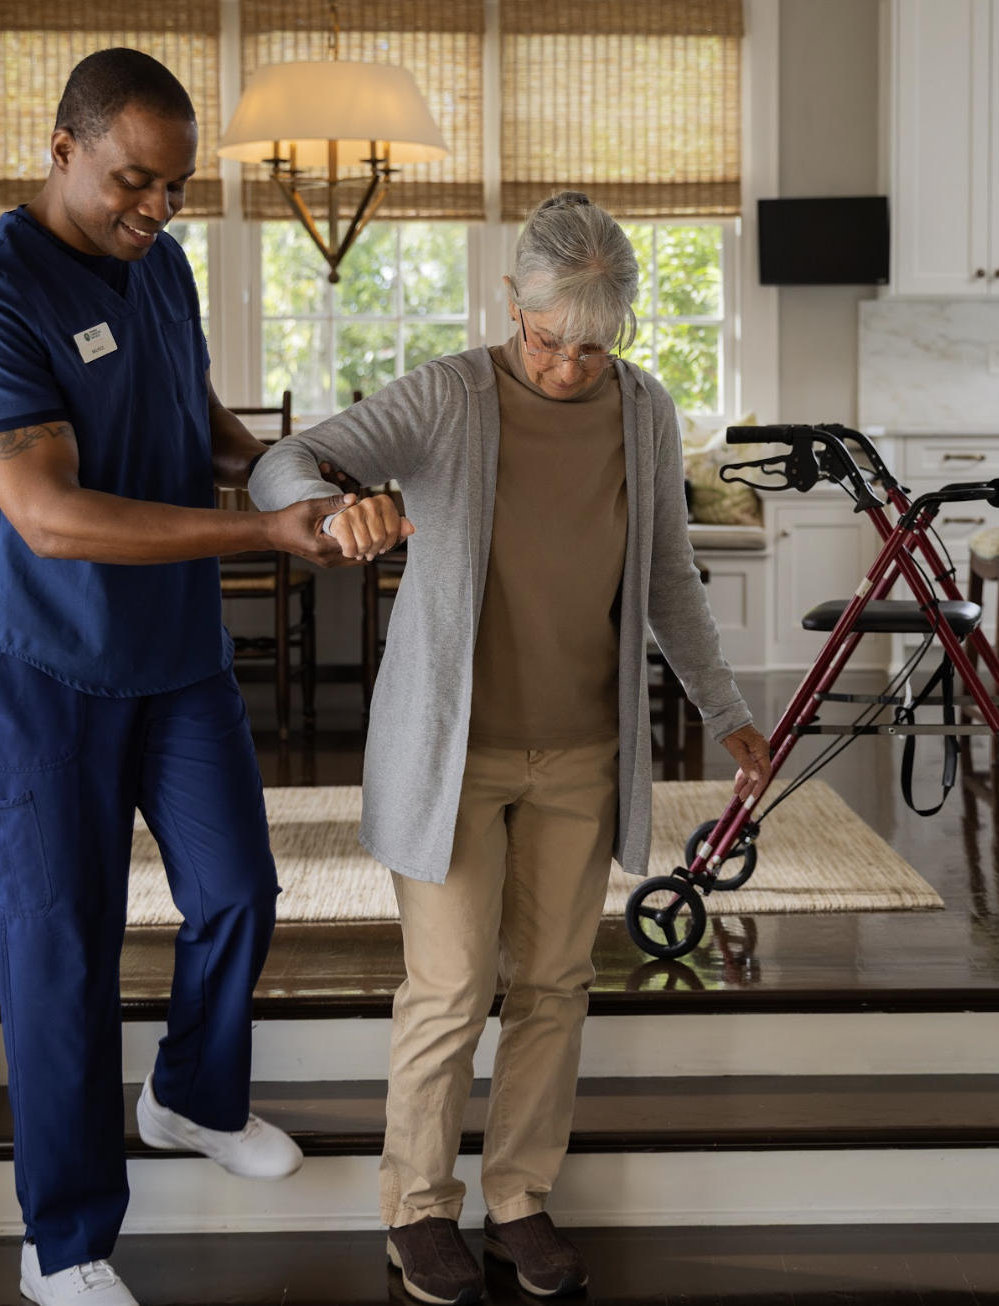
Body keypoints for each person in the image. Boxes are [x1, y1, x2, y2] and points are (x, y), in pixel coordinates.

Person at [250, 191, 771, 1304]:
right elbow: (288, 459)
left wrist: (723, 705)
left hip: (582, 748)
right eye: (547, 341)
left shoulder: (644, 408)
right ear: (511, 302)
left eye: (593, 347)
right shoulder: (449, 396)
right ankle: (417, 1206)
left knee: (554, 983)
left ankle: (522, 1194)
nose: (570, 368)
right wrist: (323, 509)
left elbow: (671, 575)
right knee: (449, 988)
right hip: (454, 756)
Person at [0, 49, 372, 1306]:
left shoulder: (155, 263)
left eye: (174, 189)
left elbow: (199, 422)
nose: (157, 212)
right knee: (60, 949)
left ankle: (187, 1096)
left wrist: (296, 479)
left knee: (238, 889)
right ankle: (62, 1242)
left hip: (172, 654)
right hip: (38, 661)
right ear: (59, 148)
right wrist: (262, 536)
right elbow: (51, 514)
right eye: (132, 182)